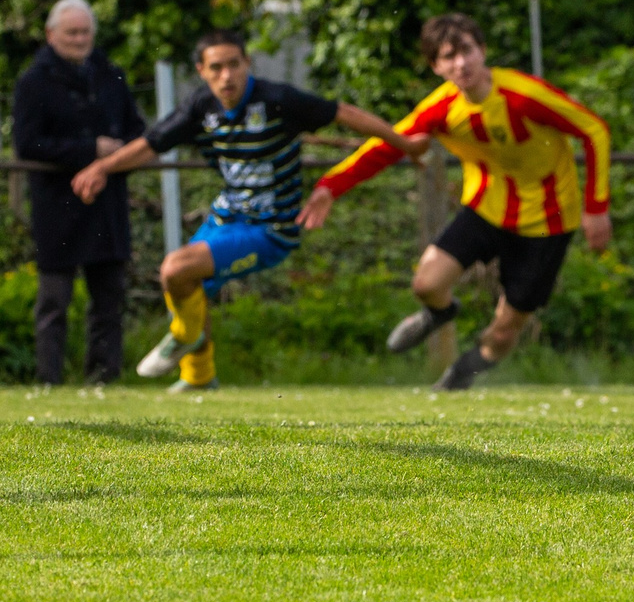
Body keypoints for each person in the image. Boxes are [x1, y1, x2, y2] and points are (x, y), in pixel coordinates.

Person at [71, 28, 420, 391]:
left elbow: (343, 113)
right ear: (202, 71)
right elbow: (149, 145)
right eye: (216, 67)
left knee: (175, 269)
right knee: (189, 284)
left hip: (272, 229)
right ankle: (199, 377)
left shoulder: (277, 99)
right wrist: (102, 167)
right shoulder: (199, 108)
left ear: (247, 63)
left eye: (234, 65)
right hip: (226, 217)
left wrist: (404, 144)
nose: (227, 76)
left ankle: (182, 336)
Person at [300, 12, 612, 392]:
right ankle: (440, 312)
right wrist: (330, 186)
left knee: (504, 331)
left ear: (482, 50)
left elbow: (594, 129)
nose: (460, 63)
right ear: (436, 66)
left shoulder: (523, 96)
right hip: (485, 209)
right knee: (425, 283)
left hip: (548, 223)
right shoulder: (441, 109)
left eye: (466, 50)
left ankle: (462, 375)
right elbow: (387, 146)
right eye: (448, 56)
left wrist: (596, 208)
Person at [12, 0, 143, 385]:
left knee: (109, 297)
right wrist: (90, 150)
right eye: (72, 32)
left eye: (85, 31)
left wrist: (117, 154)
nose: (80, 38)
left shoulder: (111, 75)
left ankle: (103, 377)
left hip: (107, 204)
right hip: (58, 206)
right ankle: (48, 380)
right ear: (52, 34)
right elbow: (28, 143)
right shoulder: (33, 83)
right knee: (54, 300)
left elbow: (137, 130)